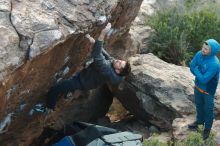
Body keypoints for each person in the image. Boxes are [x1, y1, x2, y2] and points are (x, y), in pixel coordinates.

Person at [33, 23, 131, 115]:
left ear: (118, 71)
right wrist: (94, 42)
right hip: (87, 78)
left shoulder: (107, 71)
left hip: (81, 81)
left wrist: (102, 33)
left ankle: (49, 109)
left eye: (120, 64)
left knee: (55, 90)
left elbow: (97, 55)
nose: (118, 61)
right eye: (120, 61)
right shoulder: (114, 67)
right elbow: (106, 56)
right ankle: (69, 90)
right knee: (69, 85)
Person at [188, 39, 220, 140]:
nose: (203, 50)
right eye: (203, 47)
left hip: (208, 91)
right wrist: (197, 71)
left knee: (208, 110)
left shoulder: (215, 64)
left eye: (206, 49)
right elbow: (191, 66)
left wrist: (196, 69)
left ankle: (207, 129)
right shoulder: (199, 54)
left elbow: (204, 79)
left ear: (212, 51)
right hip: (197, 87)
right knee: (199, 106)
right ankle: (199, 122)